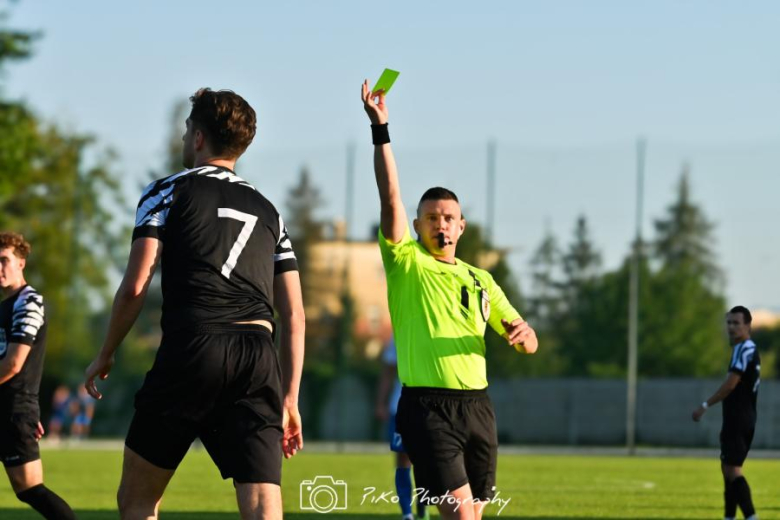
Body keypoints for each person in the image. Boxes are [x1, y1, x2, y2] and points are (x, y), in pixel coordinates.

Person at [84, 88, 305, 520]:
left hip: (194, 348)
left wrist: (105, 352)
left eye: (188, 129)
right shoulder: (269, 211)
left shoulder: (166, 192)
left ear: (199, 138)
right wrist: (291, 396)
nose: (184, 137)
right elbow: (294, 314)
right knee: (262, 504)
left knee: (137, 500)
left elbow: (135, 286)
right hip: (258, 356)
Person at [361, 81, 538, 520]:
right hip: (427, 407)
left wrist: (525, 334)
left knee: (473, 516)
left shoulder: (482, 280)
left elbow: (527, 342)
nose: (441, 225)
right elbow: (390, 196)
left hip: (478, 408)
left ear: (462, 227)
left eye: (449, 219)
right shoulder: (407, 262)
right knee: (461, 516)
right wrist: (381, 129)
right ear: (418, 225)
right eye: (432, 218)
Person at [0, 232, 76, 519]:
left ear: (21, 263)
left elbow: (14, 365)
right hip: (11, 408)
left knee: (30, 489)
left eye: (4, 260)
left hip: (12, 410)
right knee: (28, 489)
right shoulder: (6, 305)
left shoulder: (27, 301)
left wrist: (24, 412)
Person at [692, 306, 760, 520]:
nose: (731, 327)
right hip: (740, 417)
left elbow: (731, 384)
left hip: (739, 418)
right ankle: (729, 517)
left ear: (747, 325)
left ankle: (751, 516)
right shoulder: (744, 348)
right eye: (729, 323)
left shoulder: (744, 349)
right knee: (727, 469)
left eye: (736, 323)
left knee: (733, 470)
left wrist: (705, 405)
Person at [375, 338, 428, 520]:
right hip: (400, 407)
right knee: (403, 460)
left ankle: (423, 508)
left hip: (432, 408)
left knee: (426, 462)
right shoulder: (398, 337)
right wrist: (381, 402)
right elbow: (388, 374)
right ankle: (407, 514)